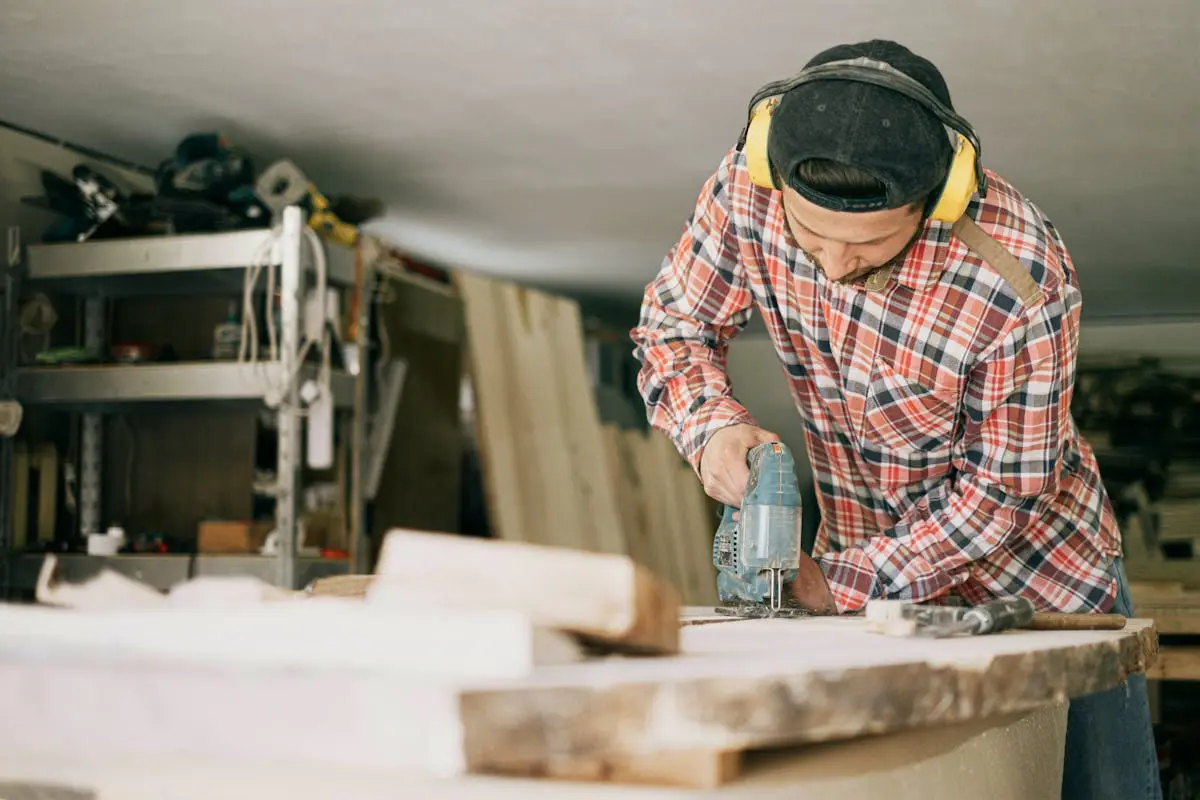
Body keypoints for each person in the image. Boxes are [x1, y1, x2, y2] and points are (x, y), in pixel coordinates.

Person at [630, 39, 1161, 800]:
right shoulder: (746, 195)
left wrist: (838, 585)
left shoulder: (1020, 276)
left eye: (869, 245)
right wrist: (711, 426)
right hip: (856, 582)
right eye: (810, 241)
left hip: (1036, 584)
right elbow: (674, 327)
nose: (836, 267)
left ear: (940, 198)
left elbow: (1001, 499)